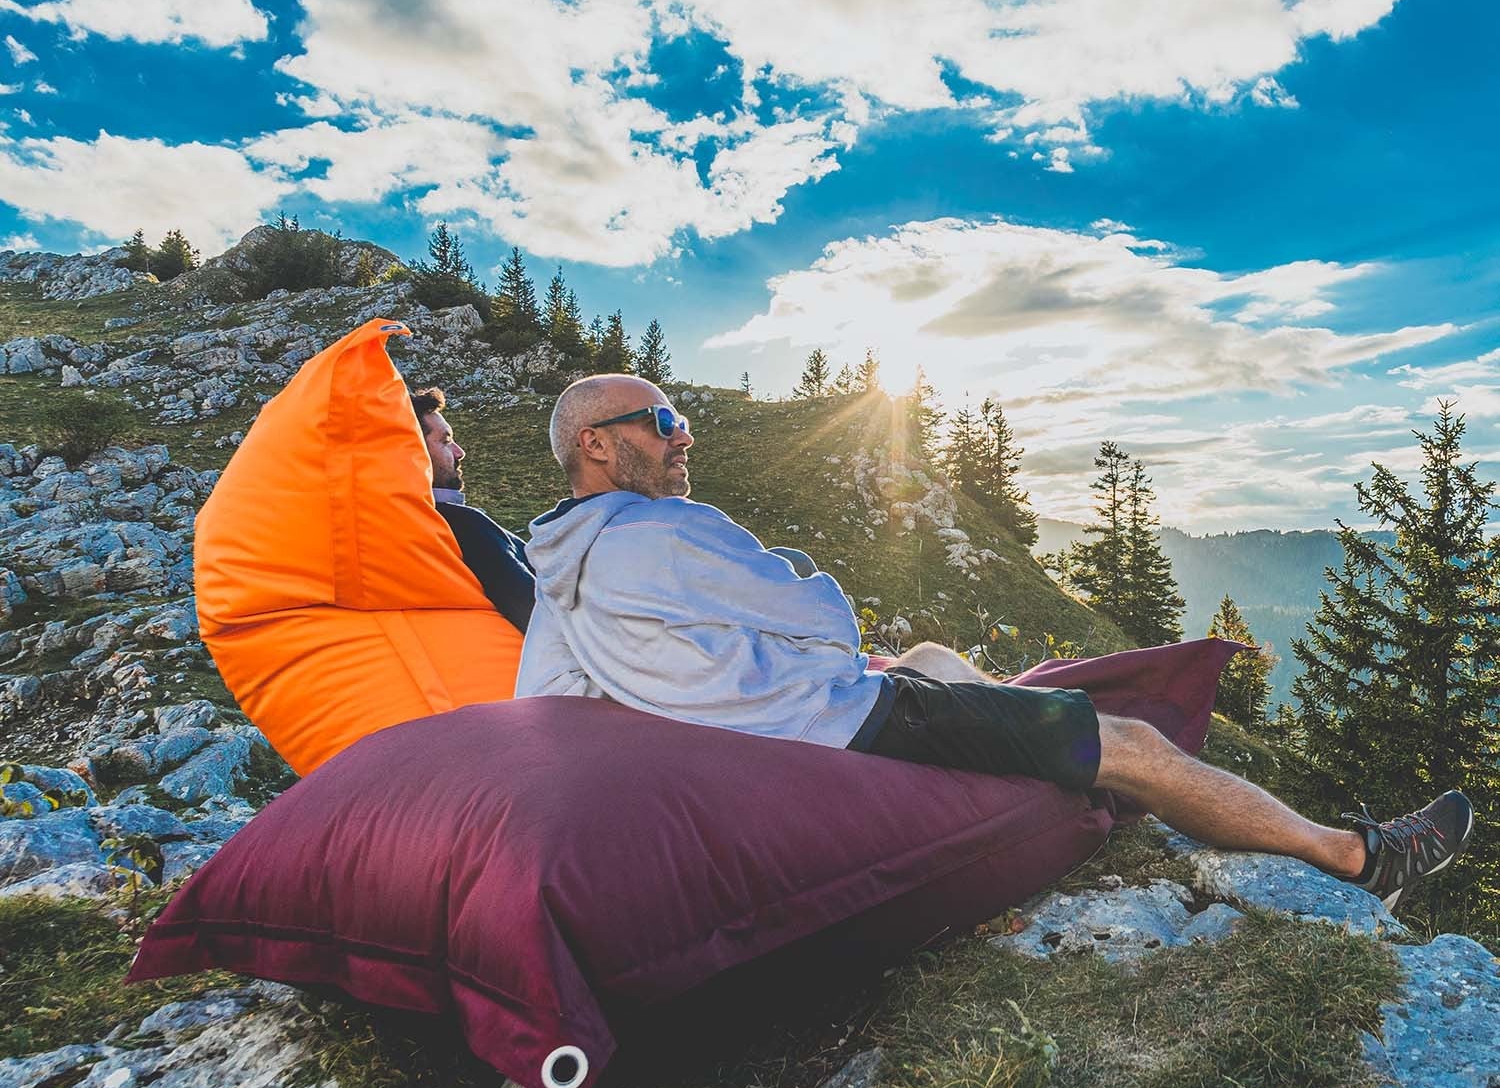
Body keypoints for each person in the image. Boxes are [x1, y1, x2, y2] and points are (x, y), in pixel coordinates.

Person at [515, 374, 1474, 914]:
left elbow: (549, 701)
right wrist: (798, 582)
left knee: (934, 654)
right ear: (598, 444)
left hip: (780, 720)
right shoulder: (662, 532)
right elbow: (828, 618)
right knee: (1128, 743)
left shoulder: (561, 559)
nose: (685, 438)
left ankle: (1019, 722)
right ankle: (1359, 856)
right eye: (665, 422)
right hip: (841, 718)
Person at [409, 386, 535, 634]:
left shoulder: (376, 530)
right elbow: (537, 613)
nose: (460, 452)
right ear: (415, 452)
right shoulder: (462, 526)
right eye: (445, 441)